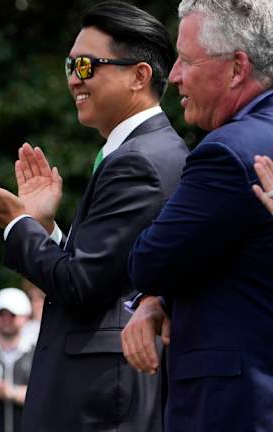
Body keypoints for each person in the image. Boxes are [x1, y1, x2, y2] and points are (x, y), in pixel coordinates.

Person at [0, 1, 187, 430]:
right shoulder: (138, 151)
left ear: (138, 76)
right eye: (70, 64)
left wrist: (17, 224)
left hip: (104, 402)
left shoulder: (140, 160)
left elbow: (82, 284)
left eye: (87, 65)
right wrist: (46, 228)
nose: (73, 78)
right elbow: (100, 270)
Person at [125, 0, 273, 429]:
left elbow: (149, 261)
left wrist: (155, 293)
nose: (172, 75)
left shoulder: (229, 152)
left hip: (236, 408)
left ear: (236, 67)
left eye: (186, 60)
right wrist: (163, 300)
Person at [0, 288, 34, 432]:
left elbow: (46, 397)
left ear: (26, 317)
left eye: (12, 315)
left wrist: (11, 392)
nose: (6, 319)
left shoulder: (36, 354)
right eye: (1, 314)